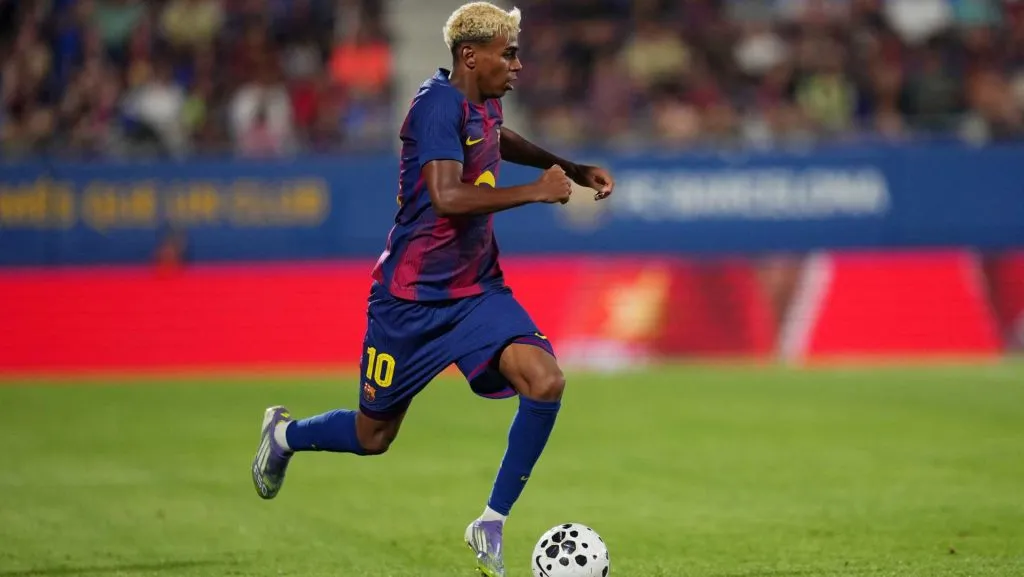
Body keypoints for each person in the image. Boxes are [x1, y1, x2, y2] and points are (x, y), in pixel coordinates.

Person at [250, 3, 614, 576]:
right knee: (373, 435)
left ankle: (491, 520)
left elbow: (497, 138)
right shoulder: (435, 107)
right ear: (471, 56)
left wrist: (568, 166)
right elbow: (446, 197)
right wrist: (534, 192)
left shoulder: (483, 99)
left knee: (545, 380)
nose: (518, 65)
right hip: (410, 302)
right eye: (509, 54)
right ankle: (285, 435)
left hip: (476, 291)